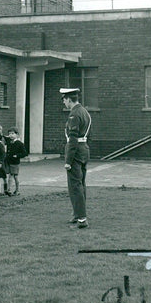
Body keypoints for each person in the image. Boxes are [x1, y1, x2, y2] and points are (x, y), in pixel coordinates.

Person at [61, 87, 92, 229]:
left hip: (75, 152)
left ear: (68, 99)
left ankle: (81, 218)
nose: (64, 103)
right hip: (84, 149)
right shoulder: (85, 112)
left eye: (64, 100)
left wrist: (68, 160)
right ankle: (78, 214)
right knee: (81, 184)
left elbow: (72, 138)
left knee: (75, 186)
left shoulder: (74, 114)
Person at [5, 127, 28, 196]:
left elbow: (24, 153)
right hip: (9, 161)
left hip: (15, 162)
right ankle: (8, 189)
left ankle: (16, 190)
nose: (11, 135)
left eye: (12, 133)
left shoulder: (19, 143)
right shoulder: (9, 142)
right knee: (10, 175)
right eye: (9, 134)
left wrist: (17, 155)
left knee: (14, 176)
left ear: (17, 134)